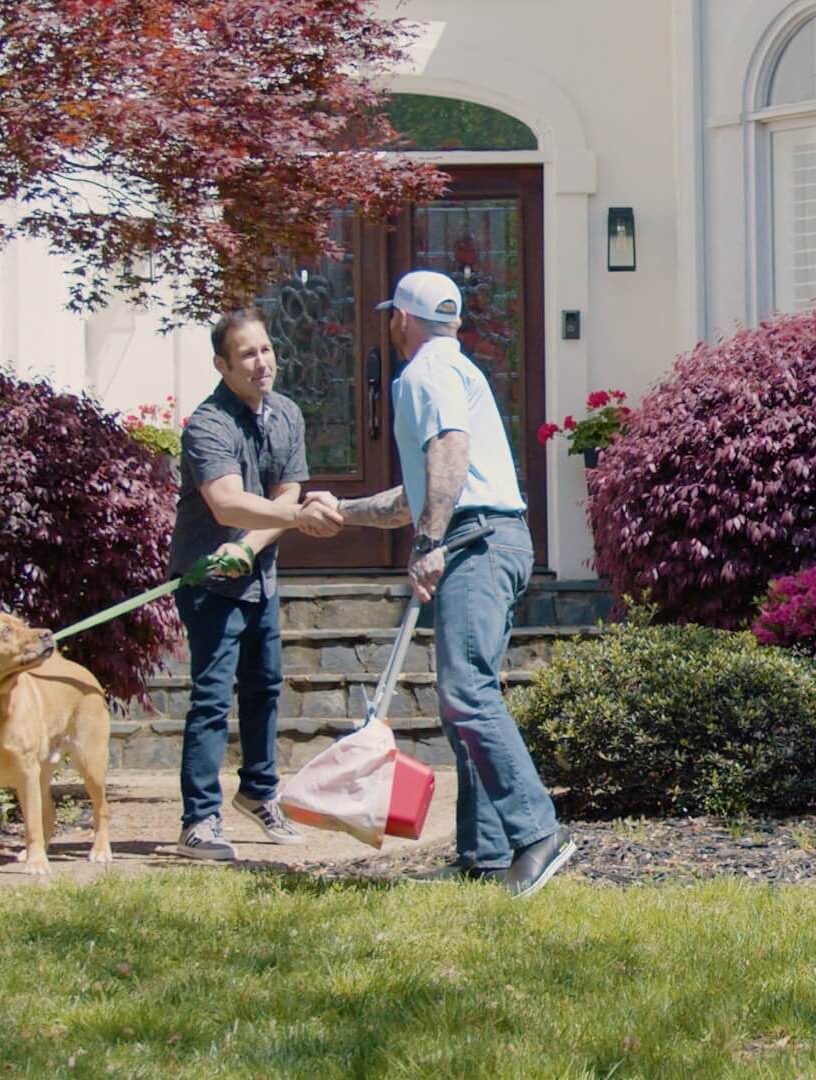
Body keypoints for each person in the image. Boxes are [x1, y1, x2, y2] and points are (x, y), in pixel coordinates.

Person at [328, 270, 574, 898]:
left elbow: (451, 455)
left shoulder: (425, 373)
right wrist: (342, 513)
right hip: (494, 536)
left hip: (474, 541)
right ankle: (485, 852)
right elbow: (422, 491)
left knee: (465, 691)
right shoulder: (458, 369)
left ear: (401, 320)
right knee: (470, 693)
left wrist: (431, 546)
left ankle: (538, 832)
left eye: (391, 316)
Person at [170, 309, 344, 860]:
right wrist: (270, 531)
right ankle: (198, 821)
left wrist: (251, 546)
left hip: (258, 574)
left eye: (266, 349)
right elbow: (224, 501)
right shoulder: (207, 425)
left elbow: (287, 493)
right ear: (223, 365)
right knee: (212, 700)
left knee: (266, 688)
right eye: (247, 354)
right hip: (209, 579)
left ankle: (258, 793)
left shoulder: (286, 413)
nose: (262, 361)